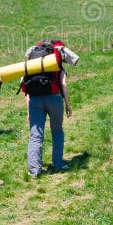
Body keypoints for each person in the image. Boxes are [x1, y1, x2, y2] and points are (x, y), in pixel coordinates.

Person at [24, 44, 73, 178]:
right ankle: (58, 164)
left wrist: (29, 111)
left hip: (34, 101)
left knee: (35, 136)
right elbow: (63, 84)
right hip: (54, 99)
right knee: (57, 131)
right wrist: (68, 105)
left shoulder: (30, 68)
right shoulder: (57, 67)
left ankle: (34, 170)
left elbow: (26, 91)